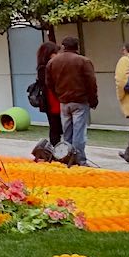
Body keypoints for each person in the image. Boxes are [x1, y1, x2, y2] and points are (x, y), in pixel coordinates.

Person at [46, 37, 98, 167]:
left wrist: (59, 96)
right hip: (80, 101)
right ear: (77, 47)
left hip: (63, 101)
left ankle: (65, 157)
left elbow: (49, 83)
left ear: (63, 47)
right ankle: (79, 159)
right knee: (79, 132)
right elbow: (91, 83)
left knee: (67, 132)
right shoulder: (83, 61)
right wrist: (93, 100)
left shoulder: (52, 62)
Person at [35, 40, 63, 146]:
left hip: (54, 100)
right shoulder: (44, 68)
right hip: (52, 101)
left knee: (56, 127)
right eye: (55, 53)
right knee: (55, 127)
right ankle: (56, 149)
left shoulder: (48, 66)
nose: (58, 55)